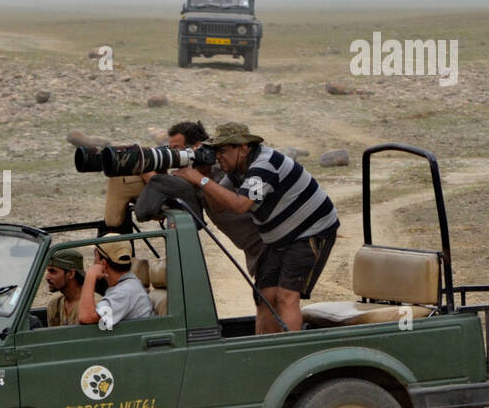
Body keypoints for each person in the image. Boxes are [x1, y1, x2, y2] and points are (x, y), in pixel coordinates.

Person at [173, 123, 338, 334]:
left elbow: (240, 205)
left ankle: (291, 354)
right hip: (279, 239)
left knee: (286, 296)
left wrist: (201, 179)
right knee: (264, 297)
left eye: (223, 150)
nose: (218, 157)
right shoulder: (237, 169)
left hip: (312, 231)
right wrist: (202, 175)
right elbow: (218, 206)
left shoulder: (264, 166)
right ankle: (265, 352)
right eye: (215, 151)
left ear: (244, 148)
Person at [133, 121, 265, 276]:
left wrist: (147, 170)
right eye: (170, 150)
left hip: (268, 244)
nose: (174, 155)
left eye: (177, 149)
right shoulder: (199, 172)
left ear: (196, 147)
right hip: (255, 249)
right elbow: (179, 198)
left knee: (280, 298)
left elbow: (175, 190)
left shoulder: (220, 168)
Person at [78, 241, 153, 329]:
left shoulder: (126, 290)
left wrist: (90, 275)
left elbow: (85, 317)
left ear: (103, 264)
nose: (94, 261)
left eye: (96, 256)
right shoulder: (126, 286)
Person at [43, 248, 96, 326]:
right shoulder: (55, 304)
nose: (47, 277)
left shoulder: (93, 305)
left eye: (53, 271)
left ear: (71, 274)